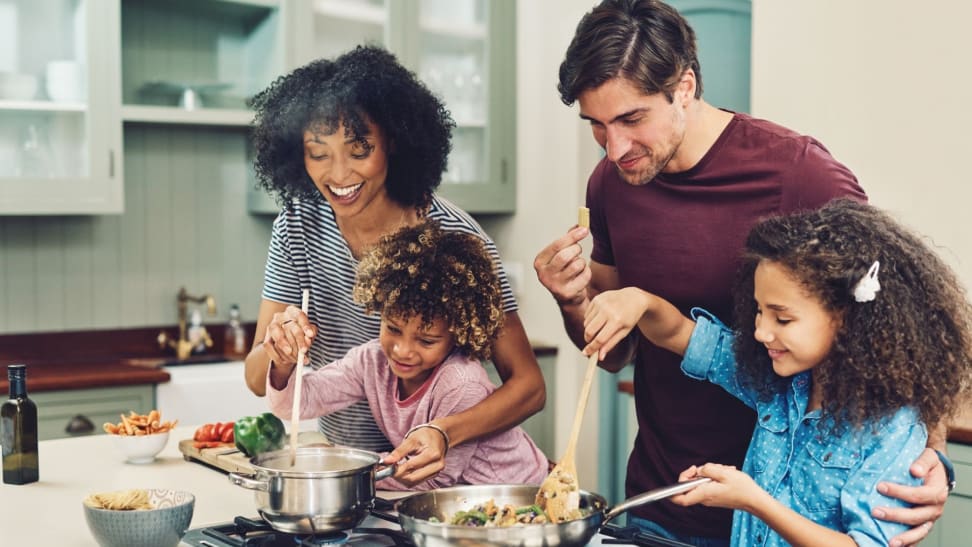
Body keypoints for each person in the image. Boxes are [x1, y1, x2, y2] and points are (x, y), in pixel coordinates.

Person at [534, 0, 948, 544]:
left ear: (683, 87)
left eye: (632, 119)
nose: (615, 148)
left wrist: (931, 455)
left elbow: (895, 322)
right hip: (663, 500)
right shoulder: (610, 184)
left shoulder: (799, 173)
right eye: (596, 125)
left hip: (797, 517)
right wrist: (573, 301)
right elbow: (615, 354)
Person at [580, 199, 972, 546]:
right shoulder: (776, 381)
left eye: (782, 318)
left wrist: (751, 500)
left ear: (847, 320)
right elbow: (682, 334)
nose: (760, 332)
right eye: (759, 311)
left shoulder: (891, 429)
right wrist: (639, 301)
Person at [244, 45, 546, 486]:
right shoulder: (297, 226)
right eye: (318, 152)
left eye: (359, 148)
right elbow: (258, 378)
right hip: (353, 471)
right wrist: (280, 350)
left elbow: (529, 387)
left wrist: (443, 432)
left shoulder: (455, 240)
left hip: (432, 480)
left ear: (395, 143)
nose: (338, 173)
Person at [265, 222, 549, 490]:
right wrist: (284, 362)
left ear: (457, 334)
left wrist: (340, 463)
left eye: (426, 340)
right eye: (393, 328)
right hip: (459, 497)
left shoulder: (461, 383)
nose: (402, 350)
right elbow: (295, 404)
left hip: (516, 490)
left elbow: (433, 479)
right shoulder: (372, 361)